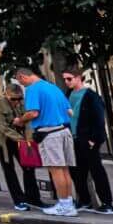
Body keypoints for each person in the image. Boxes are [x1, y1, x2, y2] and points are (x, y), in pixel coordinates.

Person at [14, 63, 77, 216]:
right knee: (65, 170)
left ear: (23, 77)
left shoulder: (33, 89)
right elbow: (70, 112)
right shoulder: (53, 87)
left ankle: (64, 206)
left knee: (56, 170)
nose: (22, 86)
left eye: (20, 82)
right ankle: (69, 203)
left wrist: (20, 121)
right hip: (64, 131)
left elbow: (33, 113)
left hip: (49, 133)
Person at [60, 67, 113, 215]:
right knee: (77, 172)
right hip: (73, 138)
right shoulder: (69, 94)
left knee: (96, 170)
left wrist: (94, 139)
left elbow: (99, 119)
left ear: (79, 78)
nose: (66, 82)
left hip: (88, 139)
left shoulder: (91, 96)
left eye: (69, 79)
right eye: (65, 79)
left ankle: (107, 204)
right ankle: (84, 200)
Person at [0, 82, 43, 211]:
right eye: (14, 99)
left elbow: (27, 123)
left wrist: (28, 141)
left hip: (16, 136)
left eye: (19, 98)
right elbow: (2, 127)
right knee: (9, 168)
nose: (17, 101)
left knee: (28, 166)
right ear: (6, 95)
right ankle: (19, 200)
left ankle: (33, 199)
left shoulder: (23, 102)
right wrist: (22, 140)